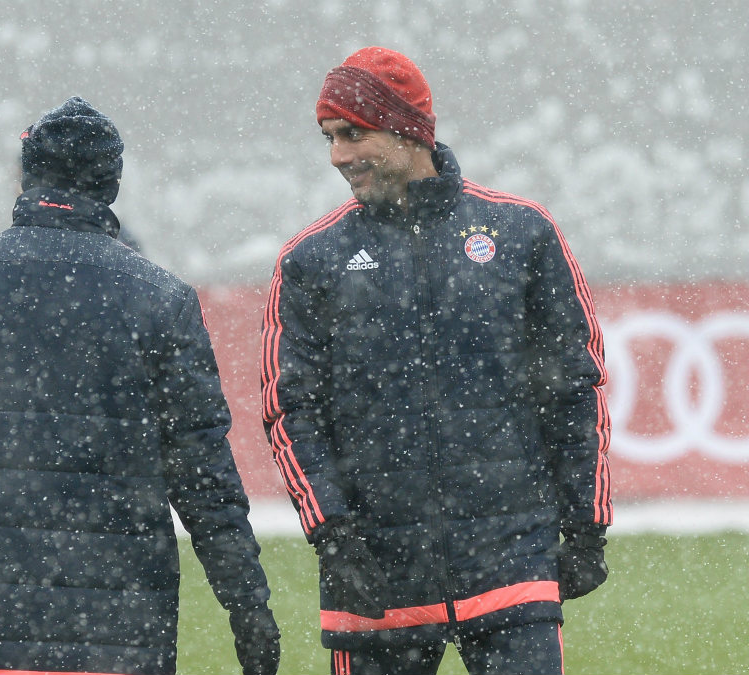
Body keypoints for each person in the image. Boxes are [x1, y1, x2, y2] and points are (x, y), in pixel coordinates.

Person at [0, 96, 281, 675]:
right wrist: (247, 604)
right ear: (113, 184)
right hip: (117, 638)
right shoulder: (161, 299)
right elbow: (203, 474)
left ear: (25, 177)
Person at [260, 47, 612, 675]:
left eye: (352, 134)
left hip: (510, 560)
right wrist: (332, 534)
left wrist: (586, 523)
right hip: (373, 572)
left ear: (406, 129)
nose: (337, 156)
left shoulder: (521, 232)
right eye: (329, 138)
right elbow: (290, 411)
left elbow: (576, 386)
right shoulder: (309, 261)